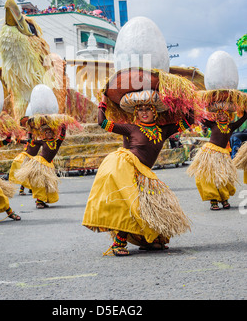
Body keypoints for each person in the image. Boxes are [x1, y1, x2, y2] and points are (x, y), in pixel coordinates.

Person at [82, 93, 193, 256]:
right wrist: (102, 104)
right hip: (126, 168)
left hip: (145, 174)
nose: (144, 112)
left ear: (155, 112)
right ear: (136, 113)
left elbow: (188, 121)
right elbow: (103, 123)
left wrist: (185, 102)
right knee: (131, 205)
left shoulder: (163, 130)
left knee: (154, 206)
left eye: (148, 109)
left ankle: (148, 240)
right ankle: (118, 243)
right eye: (140, 110)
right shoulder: (131, 128)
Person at [187, 109, 247, 210]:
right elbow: (201, 119)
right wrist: (192, 110)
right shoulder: (213, 125)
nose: (221, 116)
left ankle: (224, 199)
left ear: (228, 116)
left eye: (223, 114)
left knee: (224, 177)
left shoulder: (231, 126)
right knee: (209, 177)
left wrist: (245, 110)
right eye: (219, 114)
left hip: (223, 155)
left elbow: (242, 120)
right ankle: (213, 201)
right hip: (210, 153)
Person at [14, 119, 66, 209]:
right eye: (47, 132)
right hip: (39, 163)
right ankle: (39, 202)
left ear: (53, 133)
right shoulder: (43, 141)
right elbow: (30, 141)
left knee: (47, 184)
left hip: (48, 165)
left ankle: (42, 200)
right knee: (40, 183)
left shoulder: (57, 142)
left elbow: (62, 135)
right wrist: (26, 133)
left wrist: (63, 127)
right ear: (44, 134)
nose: (49, 134)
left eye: (50, 132)